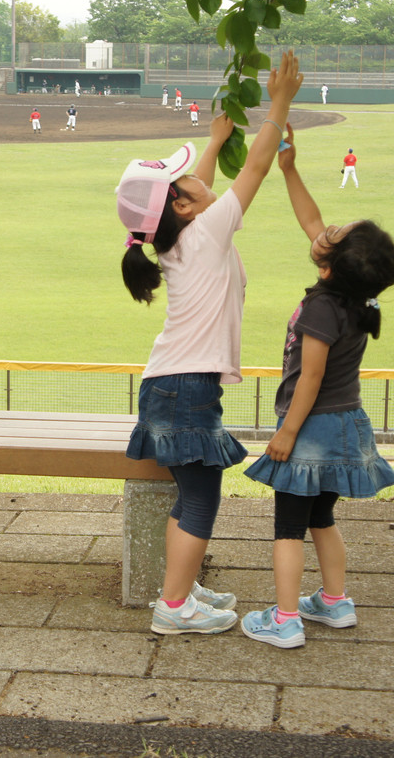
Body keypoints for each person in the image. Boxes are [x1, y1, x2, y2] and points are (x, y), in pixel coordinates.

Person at [118, 50, 303, 636]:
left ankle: (182, 589)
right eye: (189, 180)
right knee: (201, 500)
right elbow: (255, 169)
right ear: (181, 205)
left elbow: (195, 193)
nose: (203, 176)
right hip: (186, 388)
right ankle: (173, 608)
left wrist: (212, 140)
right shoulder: (205, 232)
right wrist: (279, 103)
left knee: (189, 496)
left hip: (169, 384)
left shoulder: (176, 238)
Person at [239, 123, 394, 649]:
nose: (325, 228)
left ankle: (284, 620)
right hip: (347, 426)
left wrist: (286, 432)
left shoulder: (321, 308)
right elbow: (312, 223)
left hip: (310, 429)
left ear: (328, 265)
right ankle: (334, 602)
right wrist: (289, 169)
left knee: (288, 528)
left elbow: (310, 378)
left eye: (334, 232)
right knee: (323, 518)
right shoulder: (355, 296)